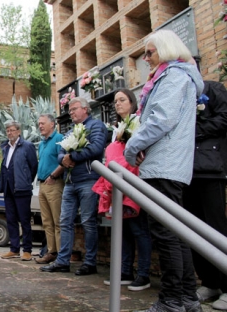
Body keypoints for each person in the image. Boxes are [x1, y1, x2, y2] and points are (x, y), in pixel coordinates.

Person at [124, 29, 204, 312]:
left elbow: (160, 120)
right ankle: (186, 298)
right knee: (176, 234)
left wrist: (131, 148)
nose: (146, 59)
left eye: (150, 52)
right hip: (170, 165)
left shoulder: (173, 77)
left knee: (166, 235)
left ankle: (171, 301)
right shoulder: (179, 76)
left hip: (164, 164)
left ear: (168, 49)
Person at [92, 89, 152, 291]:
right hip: (117, 184)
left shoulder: (140, 123)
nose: (117, 104)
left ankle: (143, 274)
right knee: (123, 231)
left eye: (122, 100)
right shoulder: (117, 130)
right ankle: (125, 271)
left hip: (134, 181)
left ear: (132, 102)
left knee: (139, 230)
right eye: (116, 101)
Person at [40, 97, 107, 275]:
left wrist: (72, 157)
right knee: (65, 222)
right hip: (70, 182)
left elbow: (97, 148)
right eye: (69, 110)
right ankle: (63, 261)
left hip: (89, 180)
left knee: (88, 222)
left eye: (74, 109)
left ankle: (90, 262)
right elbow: (60, 154)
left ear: (85, 109)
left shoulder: (96, 126)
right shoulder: (70, 132)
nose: (71, 112)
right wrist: (65, 158)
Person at [183, 80, 227, 310]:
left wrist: (192, 129)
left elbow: (223, 119)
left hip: (210, 169)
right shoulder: (179, 93)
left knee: (216, 227)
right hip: (186, 170)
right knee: (194, 230)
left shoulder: (212, 89)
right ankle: (210, 282)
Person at [0, 121, 38, 261]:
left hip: (22, 189)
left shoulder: (27, 146)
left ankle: (27, 250)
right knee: (11, 219)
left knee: (24, 220)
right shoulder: (6, 147)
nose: (10, 133)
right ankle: (14, 249)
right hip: (8, 188)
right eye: (8, 130)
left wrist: (26, 181)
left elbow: (33, 167)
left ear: (19, 131)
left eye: (12, 130)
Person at [35, 114, 65, 264]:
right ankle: (51, 252)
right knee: (46, 221)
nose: (40, 126)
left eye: (43, 123)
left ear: (52, 124)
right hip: (42, 185)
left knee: (57, 220)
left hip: (54, 184)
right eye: (39, 124)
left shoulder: (59, 138)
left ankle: (61, 255)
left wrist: (53, 176)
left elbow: (65, 160)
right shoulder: (42, 143)